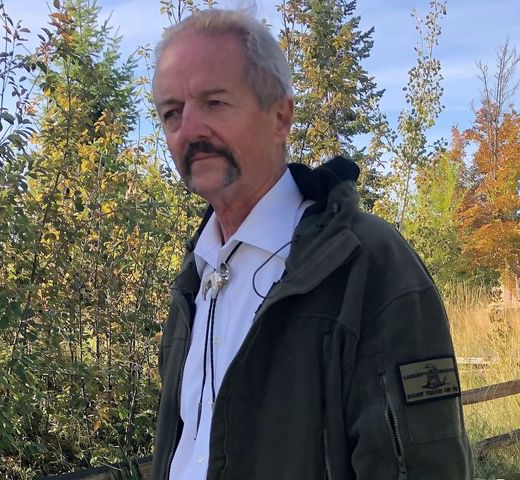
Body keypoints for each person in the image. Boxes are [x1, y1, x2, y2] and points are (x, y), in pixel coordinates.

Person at [151, 9, 472, 480]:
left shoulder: (366, 262)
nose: (190, 130)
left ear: (281, 115)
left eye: (215, 102)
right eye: (172, 112)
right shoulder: (195, 278)